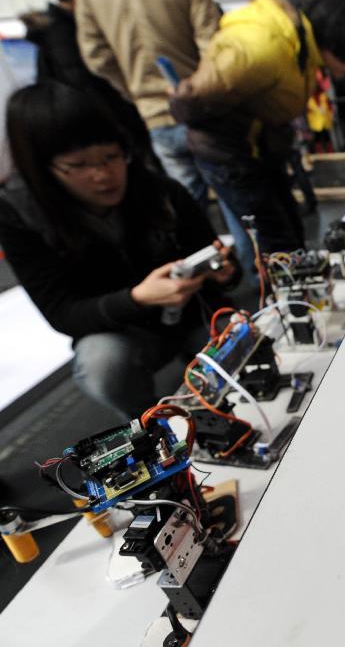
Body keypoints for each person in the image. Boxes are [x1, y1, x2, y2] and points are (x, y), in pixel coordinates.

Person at [0, 83, 239, 421]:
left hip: (193, 318)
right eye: (78, 165)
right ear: (44, 169)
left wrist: (226, 272)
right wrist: (137, 298)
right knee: (103, 363)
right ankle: (149, 425)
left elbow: (216, 260)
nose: (102, 175)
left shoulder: (158, 191)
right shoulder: (23, 217)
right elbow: (63, 313)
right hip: (126, 336)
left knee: (239, 334)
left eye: (111, 157)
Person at [169, 0, 345, 257]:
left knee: (289, 237)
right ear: (339, 44)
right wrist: (241, 126)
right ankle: (281, 294)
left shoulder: (299, 44)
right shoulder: (263, 48)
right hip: (231, 155)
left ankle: (297, 290)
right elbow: (188, 102)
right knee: (276, 245)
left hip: (258, 150)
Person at [74, 0, 221, 205]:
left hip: (154, 113)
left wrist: (134, 92)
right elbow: (212, 42)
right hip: (204, 106)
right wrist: (197, 86)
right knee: (236, 202)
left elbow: (96, 58)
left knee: (186, 204)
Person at [20, 0, 156, 169]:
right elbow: (87, 87)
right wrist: (123, 127)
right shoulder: (63, 33)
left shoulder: (64, 27)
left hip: (97, 124)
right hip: (100, 126)